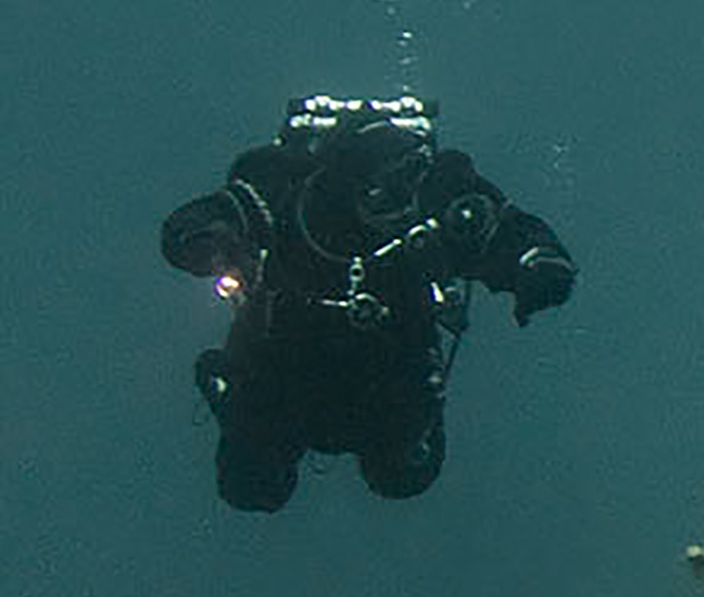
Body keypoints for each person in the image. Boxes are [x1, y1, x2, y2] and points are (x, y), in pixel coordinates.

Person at [162, 92, 575, 514]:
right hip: (285, 365)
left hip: (387, 372)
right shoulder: (283, 186)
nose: (393, 204)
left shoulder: (436, 189)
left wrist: (536, 266)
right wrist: (202, 239)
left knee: (404, 475)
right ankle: (232, 399)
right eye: (379, 192)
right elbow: (216, 213)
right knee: (251, 483)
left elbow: (505, 229)